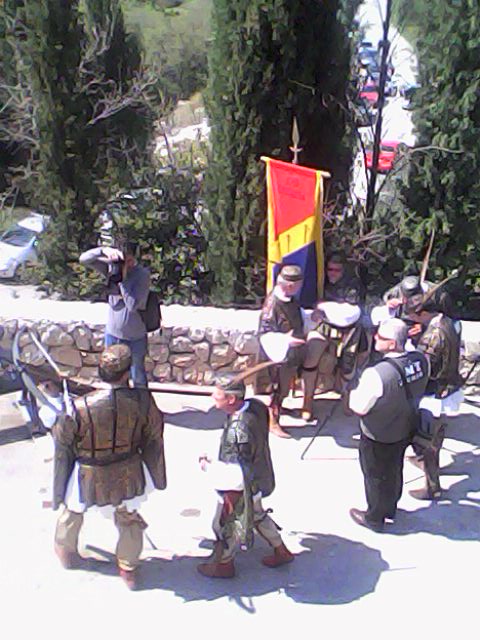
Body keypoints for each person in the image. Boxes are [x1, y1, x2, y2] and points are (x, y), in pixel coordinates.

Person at [52, 344, 166, 589]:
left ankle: (67, 553)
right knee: (129, 519)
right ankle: (128, 568)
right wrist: (157, 474)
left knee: (71, 514)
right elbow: (154, 436)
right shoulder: (144, 401)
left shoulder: (78, 406)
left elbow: (63, 444)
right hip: (129, 469)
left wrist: (59, 485)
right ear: (127, 372)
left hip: (88, 472)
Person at [197, 374, 294, 578]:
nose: (213, 401)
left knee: (224, 524)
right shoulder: (256, 406)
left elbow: (232, 476)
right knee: (258, 515)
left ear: (231, 400)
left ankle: (224, 565)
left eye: (217, 397)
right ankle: (281, 550)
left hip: (241, 486)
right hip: (259, 475)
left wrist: (207, 466)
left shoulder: (237, 431)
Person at [348, 318, 429, 532]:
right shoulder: (421, 360)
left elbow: (358, 407)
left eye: (381, 337)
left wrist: (354, 391)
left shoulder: (376, 374)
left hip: (378, 433)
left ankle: (374, 517)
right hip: (405, 427)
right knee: (395, 468)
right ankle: (391, 506)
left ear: (392, 343)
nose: (375, 337)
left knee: (374, 474)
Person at [405, 295, 463, 500]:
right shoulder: (449, 322)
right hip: (449, 388)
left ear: (423, 313)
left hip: (435, 392)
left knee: (426, 441)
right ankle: (425, 462)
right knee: (436, 436)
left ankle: (432, 486)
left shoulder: (433, 335)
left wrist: (412, 344)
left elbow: (424, 366)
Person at [301, 252, 366, 416]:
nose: (332, 273)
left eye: (337, 270)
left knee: (349, 365)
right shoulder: (320, 281)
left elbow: (349, 312)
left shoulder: (353, 286)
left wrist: (325, 306)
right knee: (310, 358)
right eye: (330, 269)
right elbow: (312, 304)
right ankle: (307, 402)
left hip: (349, 329)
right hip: (324, 325)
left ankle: (346, 399)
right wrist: (317, 309)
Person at [79, 240, 150, 387]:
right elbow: (83, 259)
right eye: (124, 260)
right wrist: (103, 250)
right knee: (114, 378)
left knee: (138, 377)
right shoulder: (111, 268)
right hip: (113, 335)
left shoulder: (142, 275)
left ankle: (142, 407)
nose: (127, 264)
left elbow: (132, 305)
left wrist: (122, 280)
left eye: (129, 260)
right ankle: (120, 406)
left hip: (135, 338)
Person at [257, 264, 306, 437]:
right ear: (290, 285)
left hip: (288, 355)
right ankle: (273, 421)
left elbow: (297, 317)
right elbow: (265, 333)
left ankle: (279, 410)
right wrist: (286, 341)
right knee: (275, 387)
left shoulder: (291, 300)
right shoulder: (272, 304)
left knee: (283, 387)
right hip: (275, 356)